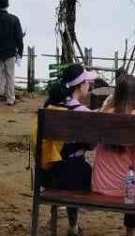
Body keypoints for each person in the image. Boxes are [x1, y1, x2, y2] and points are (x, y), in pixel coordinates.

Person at [32, 64, 95, 236]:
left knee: (73, 163)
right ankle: (73, 226)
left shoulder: (50, 107)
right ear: (79, 86)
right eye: (87, 81)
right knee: (82, 167)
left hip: (48, 175)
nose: (89, 85)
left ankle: (69, 223)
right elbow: (91, 145)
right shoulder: (82, 111)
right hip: (71, 176)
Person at [94, 74, 135, 236]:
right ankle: (130, 232)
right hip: (125, 189)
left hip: (99, 183)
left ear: (116, 93)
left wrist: (106, 106)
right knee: (134, 185)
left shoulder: (104, 114)